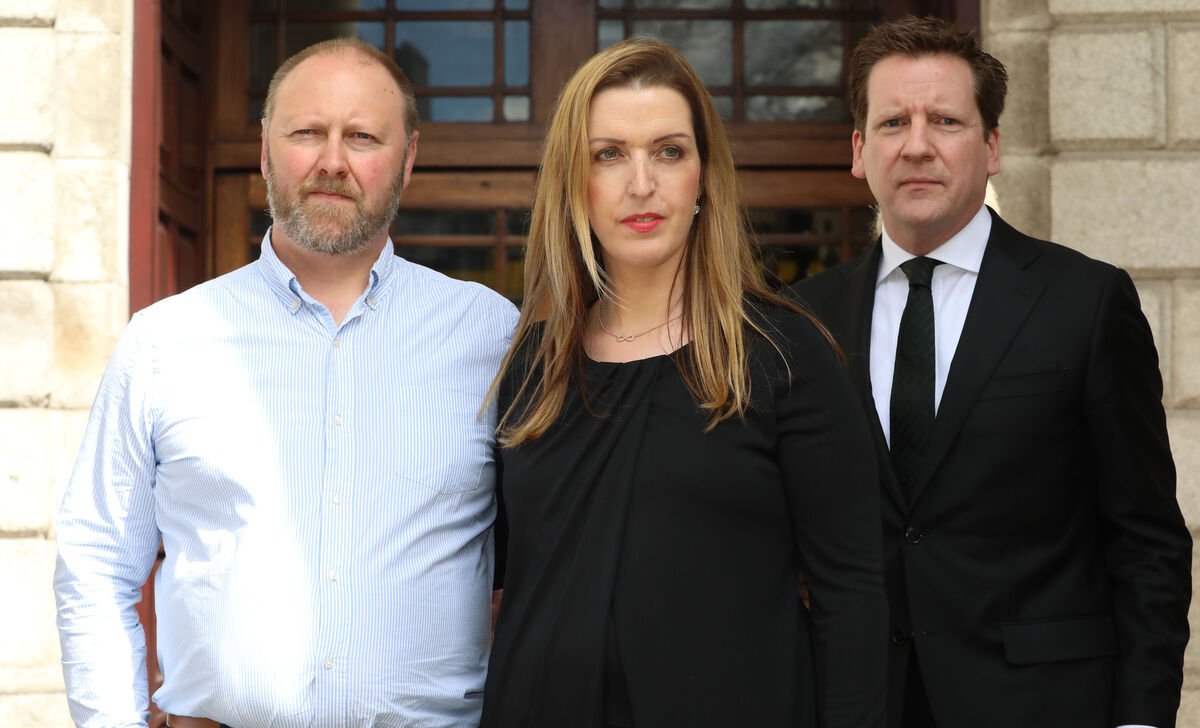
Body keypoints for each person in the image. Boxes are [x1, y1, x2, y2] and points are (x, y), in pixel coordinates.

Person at [54, 38, 517, 728]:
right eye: (307, 133)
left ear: (408, 158)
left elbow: (545, 561)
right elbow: (95, 560)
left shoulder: (491, 335)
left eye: (362, 136)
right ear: (267, 149)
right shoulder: (165, 342)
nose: (332, 161)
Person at [791, 16, 1192, 728]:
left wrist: (1141, 719)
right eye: (892, 123)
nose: (917, 145)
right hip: (858, 703)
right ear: (859, 151)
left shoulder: (1085, 302)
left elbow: (1146, 540)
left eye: (945, 120)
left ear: (993, 146)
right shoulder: (803, 319)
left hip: (1043, 705)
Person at [481, 36, 887, 728]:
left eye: (668, 152)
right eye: (609, 154)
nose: (642, 183)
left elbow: (851, 597)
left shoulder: (784, 355)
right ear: (574, 183)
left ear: (704, 176)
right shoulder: (531, 368)